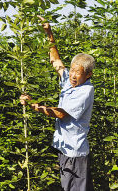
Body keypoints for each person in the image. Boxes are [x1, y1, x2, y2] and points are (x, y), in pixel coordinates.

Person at [20, 16, 95, 191]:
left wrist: (33, 105)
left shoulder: (85, 91)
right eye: (72, 70)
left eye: (78, 72)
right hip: (64, 148)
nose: (73, 75)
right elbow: (56, 62)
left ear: (88, 75)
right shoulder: (70, 81)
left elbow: (61, 113)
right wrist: (49, 33)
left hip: (75, 152)